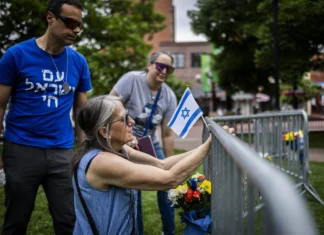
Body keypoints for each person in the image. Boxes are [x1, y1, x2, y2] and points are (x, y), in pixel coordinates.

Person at [0, 0, 92, 234]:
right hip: (21, 148)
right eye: (71, 23)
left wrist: (84, 150)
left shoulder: (79, 62)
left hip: (62, 151)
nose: (76, 30)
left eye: (80, 26)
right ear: (50, 18)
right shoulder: (16, 55)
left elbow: (81, 111)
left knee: (68, 220)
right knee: (16, 220)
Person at [71, 95, 214, 235]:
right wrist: (208, 146)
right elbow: (170, 179)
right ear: (104, 132)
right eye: (124, 119)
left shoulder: (117, 148)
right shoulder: (101, 162)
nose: (132, 121)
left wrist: (205, 146)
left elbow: (161, 165)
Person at [110, 51, 177, 235]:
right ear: (149, 65)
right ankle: (136, 231)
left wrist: (169, 165)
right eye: (161, 66)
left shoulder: (169, 96)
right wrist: (123, 138)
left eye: (169, 69)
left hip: (149, 143)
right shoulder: (131, 79)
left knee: (167, 184)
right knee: (134, 190)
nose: (164, 72)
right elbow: (110, 105)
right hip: (125, 141)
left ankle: (169, 231)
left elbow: (167, 134)